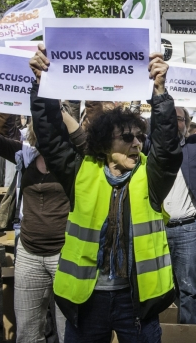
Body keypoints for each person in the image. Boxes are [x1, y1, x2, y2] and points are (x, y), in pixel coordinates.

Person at [28, 44, 182, 342]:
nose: (136, 143)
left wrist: (160, 93)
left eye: (139, 137)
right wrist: (41, 86)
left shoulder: (151, 177)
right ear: (103, 143)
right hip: (87, 300)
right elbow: (49, 138)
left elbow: (167, 149)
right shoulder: (80, 172)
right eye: (127, 137)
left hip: (136, 301)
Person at [0, 110, 81, 343]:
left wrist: (56, 108)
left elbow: (85, 140)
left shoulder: (75, 159)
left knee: (68, 333)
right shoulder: (25, 153)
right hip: (29, 254)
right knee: (28, 335)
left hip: (65, 255)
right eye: (40, 122)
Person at [164, 107, 196, 325]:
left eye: (180, 120)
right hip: (156, 229)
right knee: (159, 288)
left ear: (187, 123)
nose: (175, 124)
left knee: (189, 289)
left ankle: (187, 335)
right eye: (169, 119)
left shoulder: (194, 147)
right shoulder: (149, 148)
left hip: (188, 229)